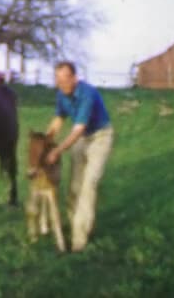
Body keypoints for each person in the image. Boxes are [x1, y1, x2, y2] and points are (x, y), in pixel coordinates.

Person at [44, 61, 114, 252]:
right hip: (82, 138)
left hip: (99, 138)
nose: (60, 83)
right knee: (74, 185)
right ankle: (75, 221)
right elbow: (59, 119)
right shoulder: (61, 95)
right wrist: (45, 141)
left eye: (64, 79)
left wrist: (58, 150)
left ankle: (79, 240)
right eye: (57, 79)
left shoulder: (87, 94)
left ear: (74, 78)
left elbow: (77, 129)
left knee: (88, 185)